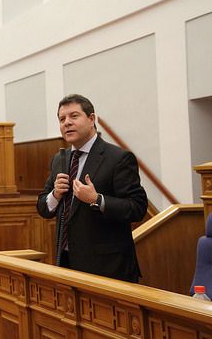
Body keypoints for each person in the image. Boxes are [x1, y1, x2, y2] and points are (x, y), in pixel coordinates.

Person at [36, 94, 148, 283]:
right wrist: (55, 195)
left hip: (108, 268)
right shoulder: (59, 159)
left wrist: (97, 199)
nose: (67, 123)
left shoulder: (118, 158)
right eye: (62, 119)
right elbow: (43, 208)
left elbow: (137, 208)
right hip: (67, 262)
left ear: (91, 119)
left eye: (74, 116)